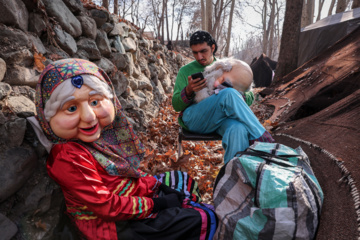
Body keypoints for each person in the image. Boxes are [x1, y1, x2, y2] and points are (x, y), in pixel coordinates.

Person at [27, 58, 217, 240]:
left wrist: (155, 186)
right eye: (71, 109)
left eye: (95, 102)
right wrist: (157, 204)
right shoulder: (68, 156)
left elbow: (126, 176)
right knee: (202, 219)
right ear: (47, 117)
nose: (89, 117)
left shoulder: (101, 140)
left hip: (130, 198)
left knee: (183, 180)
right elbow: (105, 205)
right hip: (114, 227)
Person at [172, 30, 274, 164]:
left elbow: (249, 96)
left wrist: (235, 92)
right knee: (228, 94)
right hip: (194, 119)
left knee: (238, 129)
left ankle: (232, 178)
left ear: (213, 48)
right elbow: (176, 106)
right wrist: (189, 90)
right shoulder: (185, 71)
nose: (199, 56)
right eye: (195, 53)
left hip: (220, 119)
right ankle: (262, 137)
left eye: (203, 51)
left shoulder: (227, 66)